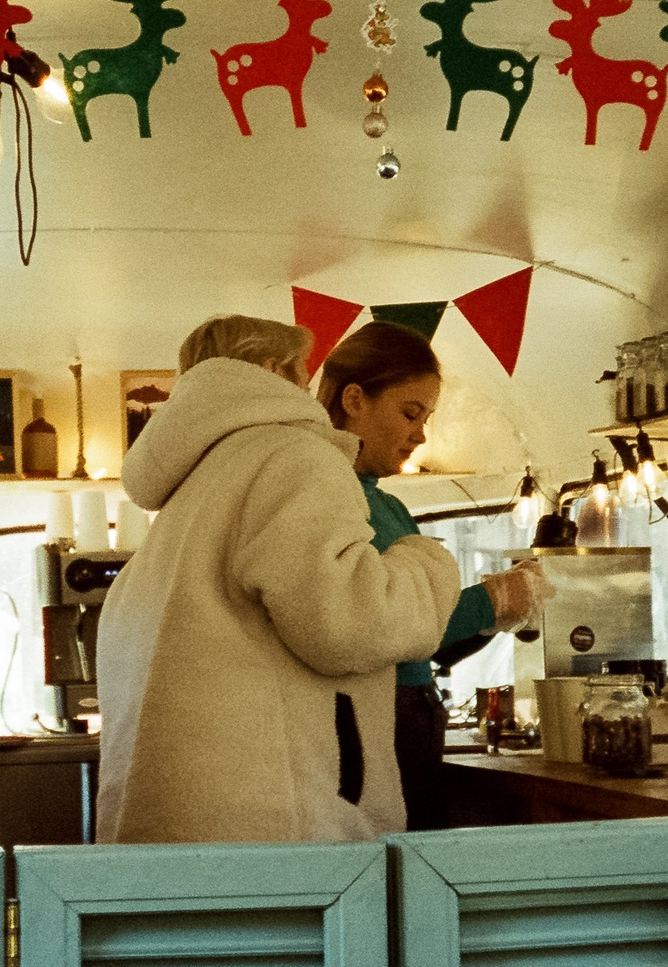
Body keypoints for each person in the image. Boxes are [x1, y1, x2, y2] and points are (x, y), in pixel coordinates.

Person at [94, 315, 464, 843]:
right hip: (271, 827)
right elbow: (351, 622)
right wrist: (427, 562)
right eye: (303, 373)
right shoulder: (292, 456)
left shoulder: (191, 482)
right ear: (272, 373)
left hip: (179, 821)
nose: (314, 393)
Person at [316, 322, 549, 830]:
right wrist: (490, 599)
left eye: (426, 417)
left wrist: (495, 618)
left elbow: (424, 641)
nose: (419, 435)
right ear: (354, 399)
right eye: (409, 413)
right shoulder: (323, 496)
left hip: (412, 715)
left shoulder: (391, 506)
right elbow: (373, 624)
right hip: (367, 724)